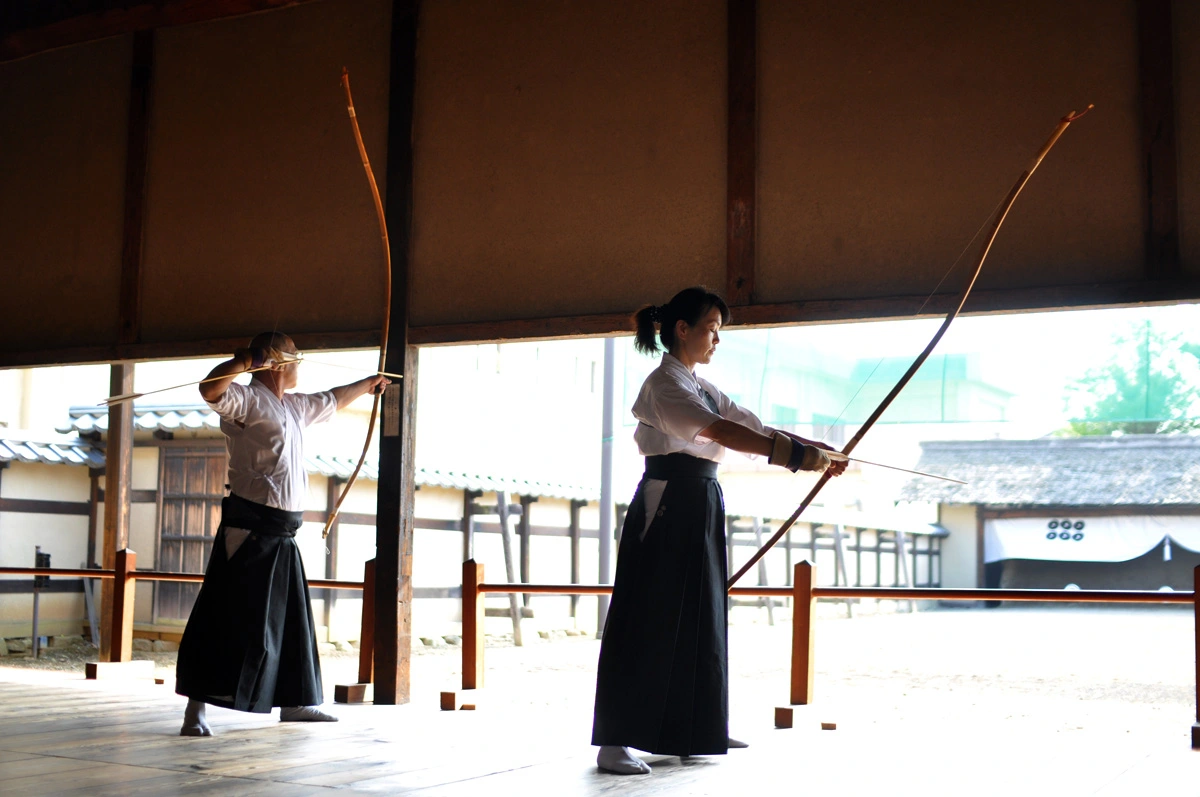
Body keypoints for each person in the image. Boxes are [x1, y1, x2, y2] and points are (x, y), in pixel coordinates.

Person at [591, 287, 845, 774]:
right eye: (711, 329)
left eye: (718, 332)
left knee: (701, 611)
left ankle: (695, 727)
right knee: (648, 614)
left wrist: (818, 450)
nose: (716, 340)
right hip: (667, 499)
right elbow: (721, 432)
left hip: (701, 497)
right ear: (682, 329)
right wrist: (797, 458)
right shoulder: (665, 385)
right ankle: (615, 740)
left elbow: (751, 426)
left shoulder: (702, 385)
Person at [175, 332, 388, 737]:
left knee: (290, 622)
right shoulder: (248, 400)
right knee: (224, 617)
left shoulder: (292, 405)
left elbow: (332, 398)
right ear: (277, 363)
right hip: (249, 531)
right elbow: (210, 389)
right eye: (294, 359)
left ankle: (295, 704)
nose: (298, 365)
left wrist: (369, 382)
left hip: (282, 535)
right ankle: (194, 711)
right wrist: (243, 361)